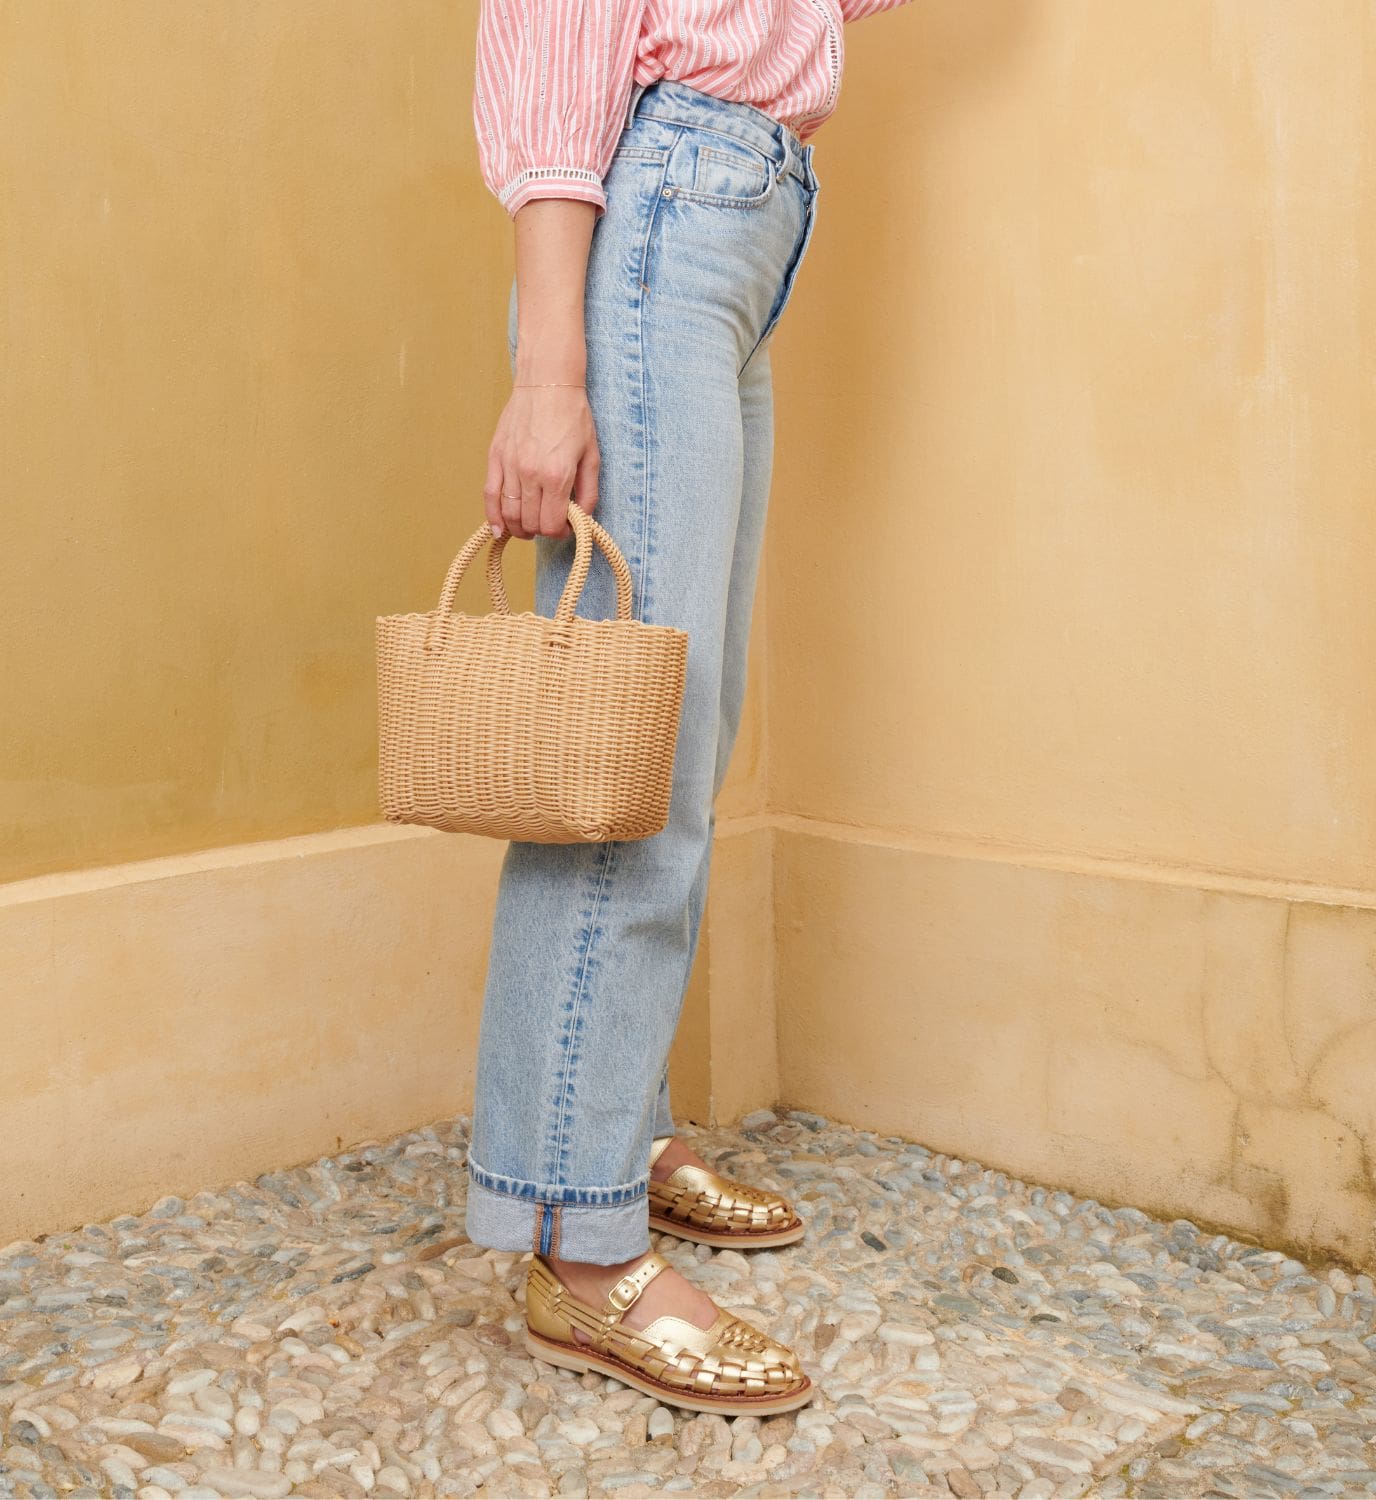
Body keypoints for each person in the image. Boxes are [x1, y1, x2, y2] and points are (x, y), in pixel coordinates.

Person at [466, 0, 910, 1415]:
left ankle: (617, 1127)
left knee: (679, 731)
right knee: (624, 743)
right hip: (659, 210)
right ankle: (573, 1245)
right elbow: (549, 37)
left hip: (742, 217)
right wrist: (547, 377)